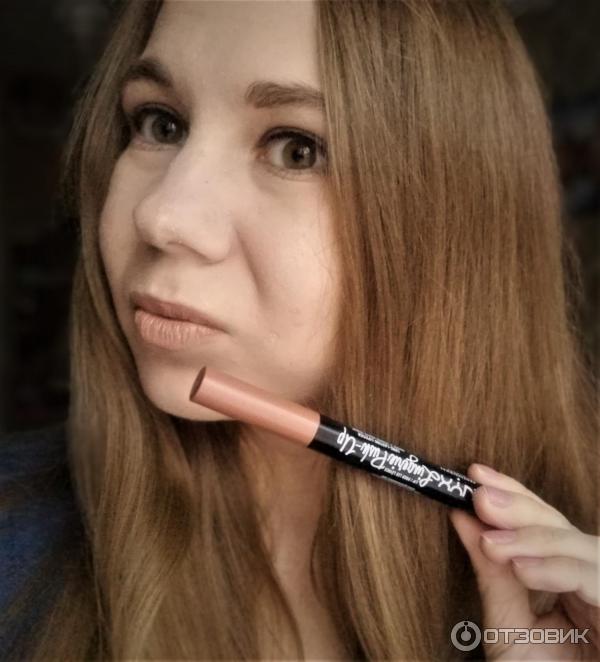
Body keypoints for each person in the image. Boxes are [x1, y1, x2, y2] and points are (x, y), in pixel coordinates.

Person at [0, 0, 597, 659]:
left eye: (295, 148)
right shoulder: (17, 548)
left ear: (451, 225)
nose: (162, 217)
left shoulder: (569, 596)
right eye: (160, 124)